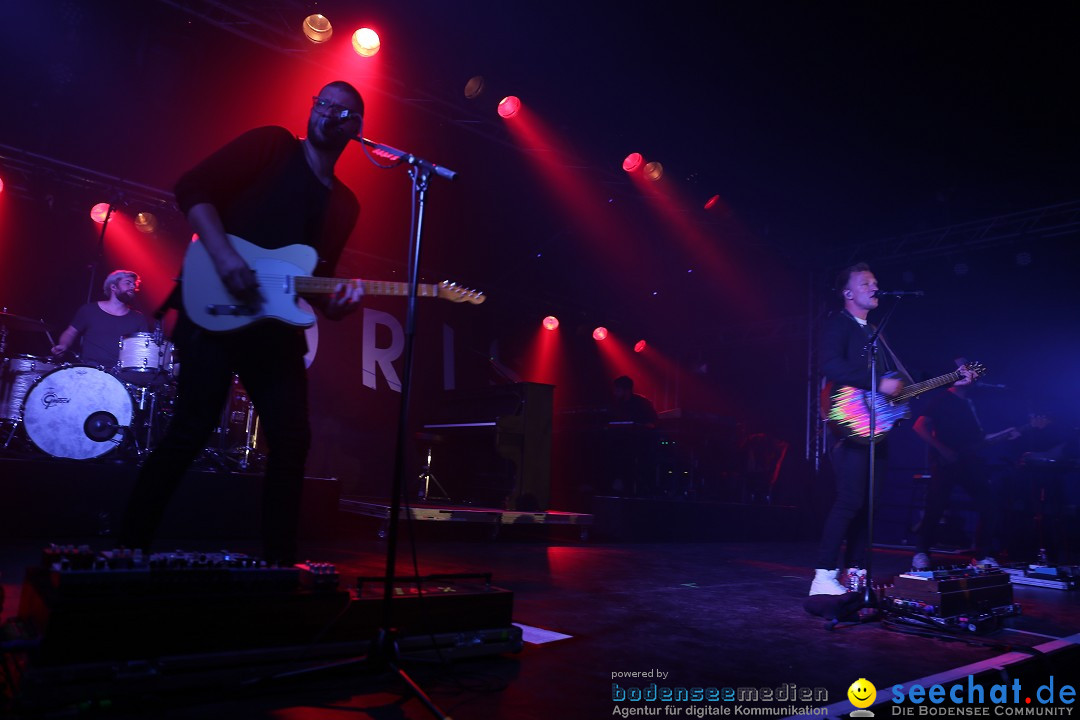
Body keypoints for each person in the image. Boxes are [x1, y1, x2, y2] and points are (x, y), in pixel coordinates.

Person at [119, 81, 366, 565]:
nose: (330, 113)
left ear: (356, 128)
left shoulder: (346, 204)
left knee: (292, 440)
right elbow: (192, 186)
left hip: (274, 331)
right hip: (215, 308)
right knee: (191, 428)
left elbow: (316, 280)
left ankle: (279, 567)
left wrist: (339, 302)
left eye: (344, 111)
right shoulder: (272, 145)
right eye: (324, 103)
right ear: (313, 108)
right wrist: (226, 255)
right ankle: (127, 551)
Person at [811, 262, 972, 595]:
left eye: (876, 282)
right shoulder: (837, 325)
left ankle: (854, 573)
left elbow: (901, 386)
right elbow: (829, 365)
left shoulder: (875, 334)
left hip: (877, 428)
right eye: (866, 282)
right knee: (849, 501)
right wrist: (874, 382)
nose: (874, 287)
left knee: (870, 505)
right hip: (848, 424)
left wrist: (953, 378)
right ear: (848, 292)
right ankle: (823, 577)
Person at [911, 359, 1020, 570]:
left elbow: (981, 439)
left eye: (973, 373)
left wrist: (1007, 434)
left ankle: (981, 556)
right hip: (945, 462)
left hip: (970, 462)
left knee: (989, 507)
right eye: (964, 372)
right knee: (935, 508)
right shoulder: (942, 398)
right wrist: (943, 449)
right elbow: (919, 426)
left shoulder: (972, 403)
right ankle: (921, 552)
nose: (969, 376)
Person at [51, 270, 148, 368]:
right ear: (113, 287)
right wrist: (63, 345)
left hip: (121, 375)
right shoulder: (89, 310)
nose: (133, 286)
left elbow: (144, 347)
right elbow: (70, 332)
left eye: (134, 284)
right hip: (90, 369)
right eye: (128, 283)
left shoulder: (138, 318)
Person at [605, 376, 659, 496]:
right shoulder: (615, 405)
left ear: (626, 390)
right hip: (620, 445)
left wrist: (640, 427)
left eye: (617, 390)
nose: (615, 393)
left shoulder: (642, 403)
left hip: (640, 445)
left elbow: (653, 423)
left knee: (637, 471)